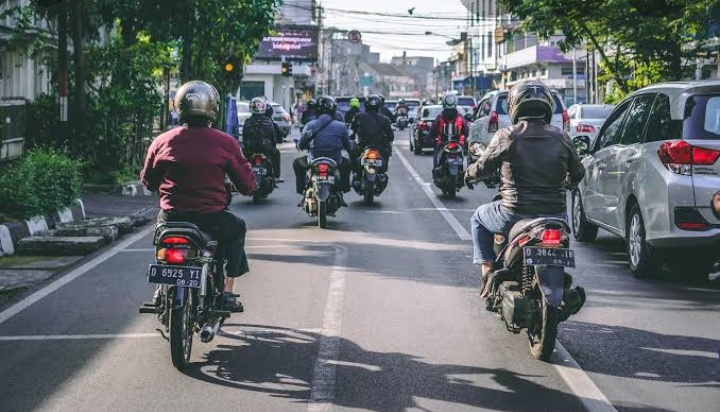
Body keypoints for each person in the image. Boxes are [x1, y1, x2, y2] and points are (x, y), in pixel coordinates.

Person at [140, 80, 256, 312]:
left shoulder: (162, 141)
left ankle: (160, 288)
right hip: (210, 217)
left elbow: (148, 181)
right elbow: (248, 186)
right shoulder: (226, 142)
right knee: (237, 228)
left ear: (179, 106)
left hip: (172, 216)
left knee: (161, 234)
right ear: (213, 108)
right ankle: (227, 292)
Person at [464, 80, 585, 279]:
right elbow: (578, 172)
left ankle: (488, 268)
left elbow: (482, 168)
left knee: (478, 216)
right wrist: (568, 184)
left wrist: (469, 175)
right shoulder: (561, 136)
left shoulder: (507, 135)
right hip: (556, 216)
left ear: (515, 106)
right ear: (548, 106)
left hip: (514, 214)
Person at [293, 96, 353, 205]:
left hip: (313, 160)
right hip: (335, 160)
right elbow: (348, 146)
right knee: (347, 164)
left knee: (297, 164)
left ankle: (302, 189)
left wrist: (298, 144)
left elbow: (301, 145)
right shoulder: (341, 126)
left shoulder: (310, 125)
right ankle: (343, 189)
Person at [350, 94, 394, 175]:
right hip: (379, 146)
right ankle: (381, 173)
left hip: (363, 145)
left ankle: (356, 173)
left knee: (353, 155)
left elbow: (352, 132)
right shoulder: (384, 119)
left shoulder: (358, 116)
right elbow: (391, 136)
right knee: (387, 154)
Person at [242, 97, 282, 182]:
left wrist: (247, 147)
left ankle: (240, 176)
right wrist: (272, 146)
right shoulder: (268, 121)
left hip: (250, 149)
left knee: (241, 159)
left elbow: (244, 138)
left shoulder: (247, 122)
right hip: (266, 149)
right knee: (276, 153)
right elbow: (273, 137)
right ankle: (276, 176)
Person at [429, 93, 469, 169]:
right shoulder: (460, 117)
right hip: (457, 145)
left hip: (444, 144)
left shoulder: (440, 117)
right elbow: (466, 131)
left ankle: (436, 169)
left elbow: (433, 131)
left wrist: (432, 137)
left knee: (436, 157)